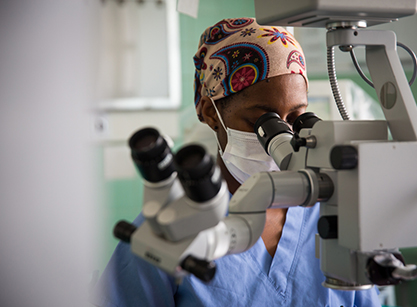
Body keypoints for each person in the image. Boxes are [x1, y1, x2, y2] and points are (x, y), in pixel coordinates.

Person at [90, 17, 381, 306]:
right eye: (262, 120)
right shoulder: (170, 228)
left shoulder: (334, 214)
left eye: (296, 118)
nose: (283, 137)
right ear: (210, 113)